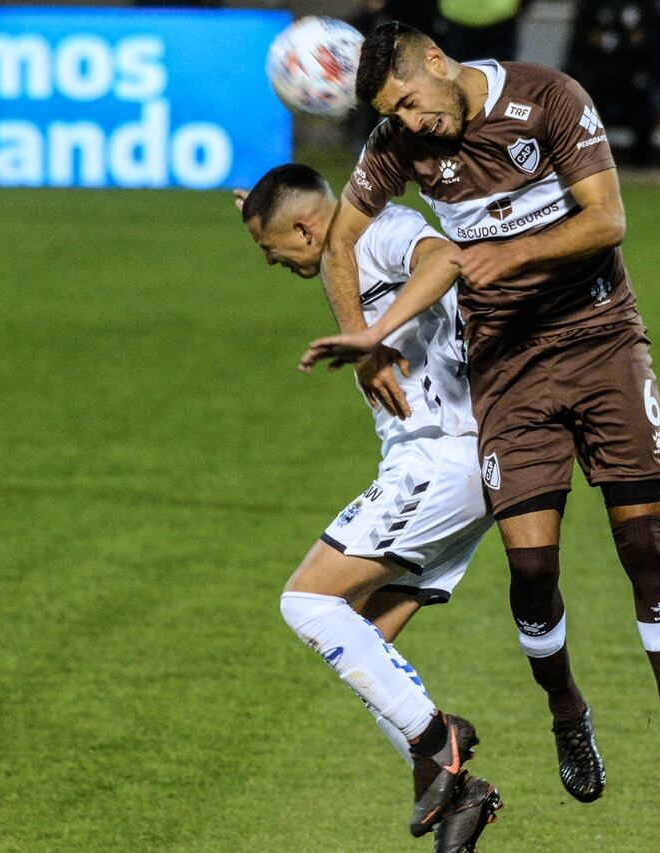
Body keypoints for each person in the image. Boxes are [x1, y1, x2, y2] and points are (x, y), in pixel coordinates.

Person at [300, 22, 660, 824]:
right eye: (395, 115)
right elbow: (339, 241)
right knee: (532, 569)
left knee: (643, 543)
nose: (413, 124)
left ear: (434, 60)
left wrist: (508, 256)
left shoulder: (549, 98)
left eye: (413, 103)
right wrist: (366, 342)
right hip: (508, 367)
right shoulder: (396, 145)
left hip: (601, 341)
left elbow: (607, 221)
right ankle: (568, 715)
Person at [237, 165, 501, 849]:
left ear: (303, 226)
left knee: (305, 602)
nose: (272, 265)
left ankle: (435, 739)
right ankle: (458, 788)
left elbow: (445, 256)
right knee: (362, 639)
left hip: (440, 457)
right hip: (455, 467)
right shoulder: (337, 250)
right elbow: (326, 248)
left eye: (271, 250)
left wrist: (373, 333)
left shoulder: (382, 231)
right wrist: (259, 206)